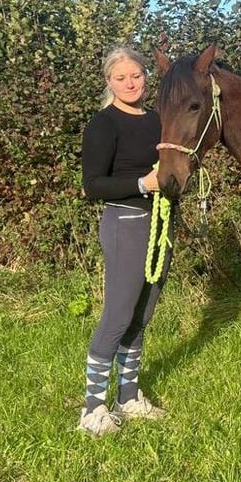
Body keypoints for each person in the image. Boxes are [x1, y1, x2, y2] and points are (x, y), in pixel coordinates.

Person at [78, 46, 173, 436]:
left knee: (142, 316)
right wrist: (142, 184)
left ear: (145, 77)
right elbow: (92, 185)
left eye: (136, 75)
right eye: (121, 78)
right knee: (117, 317)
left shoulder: (156, 120)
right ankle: (91, 409)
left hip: (161, 225)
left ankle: (128, 397)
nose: (130, 83)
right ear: (109, 82)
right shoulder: (104, 124)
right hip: (125, 224)